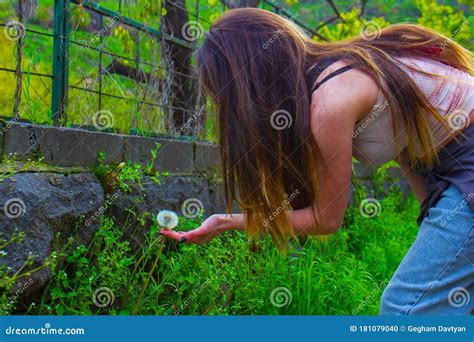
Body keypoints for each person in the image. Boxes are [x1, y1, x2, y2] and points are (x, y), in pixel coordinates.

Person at [160, 8, 474, 315]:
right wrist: (434, 224)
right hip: (451, 172)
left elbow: (327, 220)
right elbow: (410, 141)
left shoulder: (331, 103)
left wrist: (228, 221)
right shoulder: (340, 74)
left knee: (406, 309)